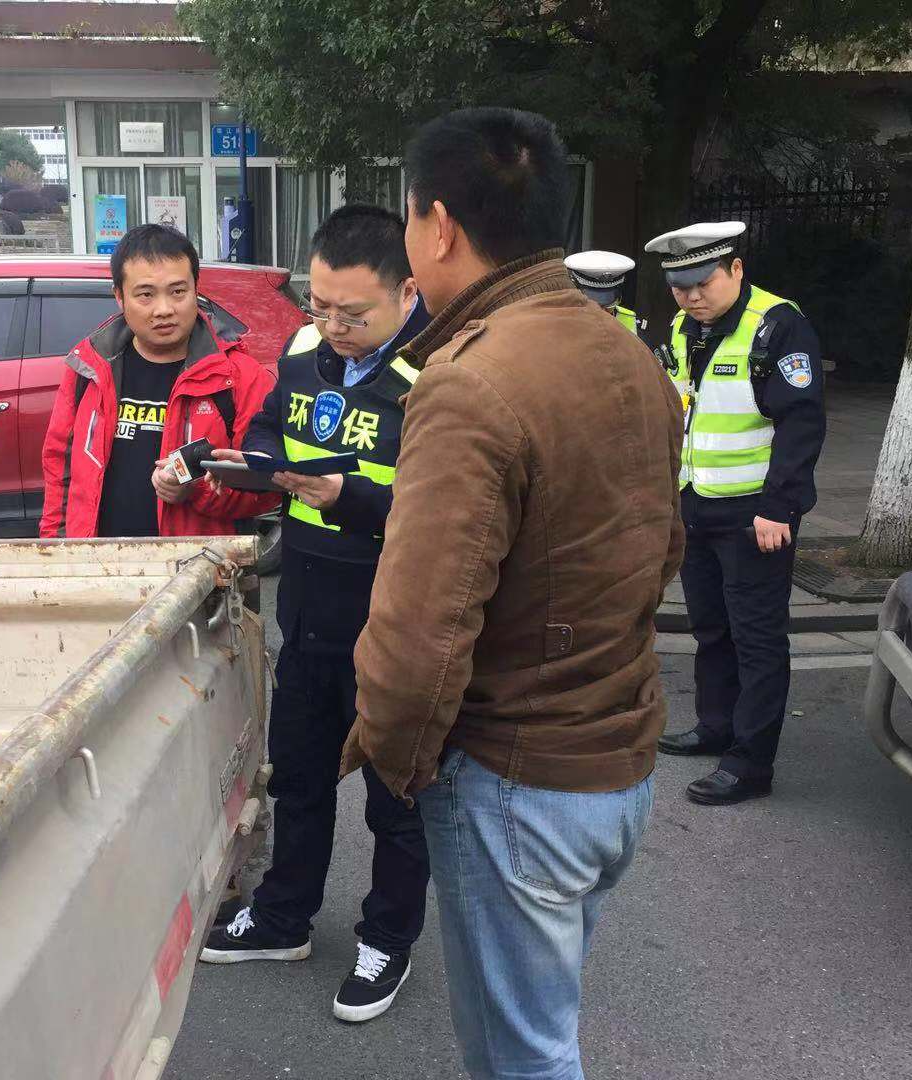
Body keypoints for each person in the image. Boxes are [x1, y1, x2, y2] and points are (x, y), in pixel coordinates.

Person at [340, 109, 684, 1078]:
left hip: (516, 782)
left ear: (440, 226)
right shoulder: (629, 354)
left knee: (521, 1058)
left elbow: (419, 634)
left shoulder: (468, 381)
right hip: (617, 766)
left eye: (410, 218)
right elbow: (661, 552)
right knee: (541, 1031)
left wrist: (395, 759)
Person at [199, 206, 432, 1023]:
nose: (333, 327)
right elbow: (270, 425)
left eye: (353, 314)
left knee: (397, 798)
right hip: (307, 607)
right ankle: (283, 916)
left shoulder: (439, 375)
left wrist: (349, 495)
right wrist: (258, 463)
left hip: (395, 620)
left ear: (408, 292)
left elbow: (454, 510)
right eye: (320, 305)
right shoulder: (303, 350)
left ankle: (387, 939)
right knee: (298, 774)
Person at [645, 221, 826, 806]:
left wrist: (780, 507)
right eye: (680, 287)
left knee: (757, 639)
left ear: (736, 269)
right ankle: (716, 726)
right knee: (711, 627)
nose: (692, 297)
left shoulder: (776, 325)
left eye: (704, 282)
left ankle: (750, 763)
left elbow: (801, 421)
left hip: (755, 515)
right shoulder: (683, 329)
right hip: (696, 505)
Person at [37, 224, 277, 539]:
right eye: (146, 295)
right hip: (100, 561)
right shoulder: (89, 368)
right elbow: (61, 469)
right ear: (119, 296)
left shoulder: (239, 377)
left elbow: (268, 488)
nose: (164, 310)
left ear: (196, 289)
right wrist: (55, 550)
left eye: (178, 292)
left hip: (198, 564)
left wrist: (194, 490)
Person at [564, 249, 645, 337]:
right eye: (593, 300)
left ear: (619, 296)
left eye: (608, 302)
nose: (601, 310)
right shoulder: (562, 320)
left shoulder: (629, 319)